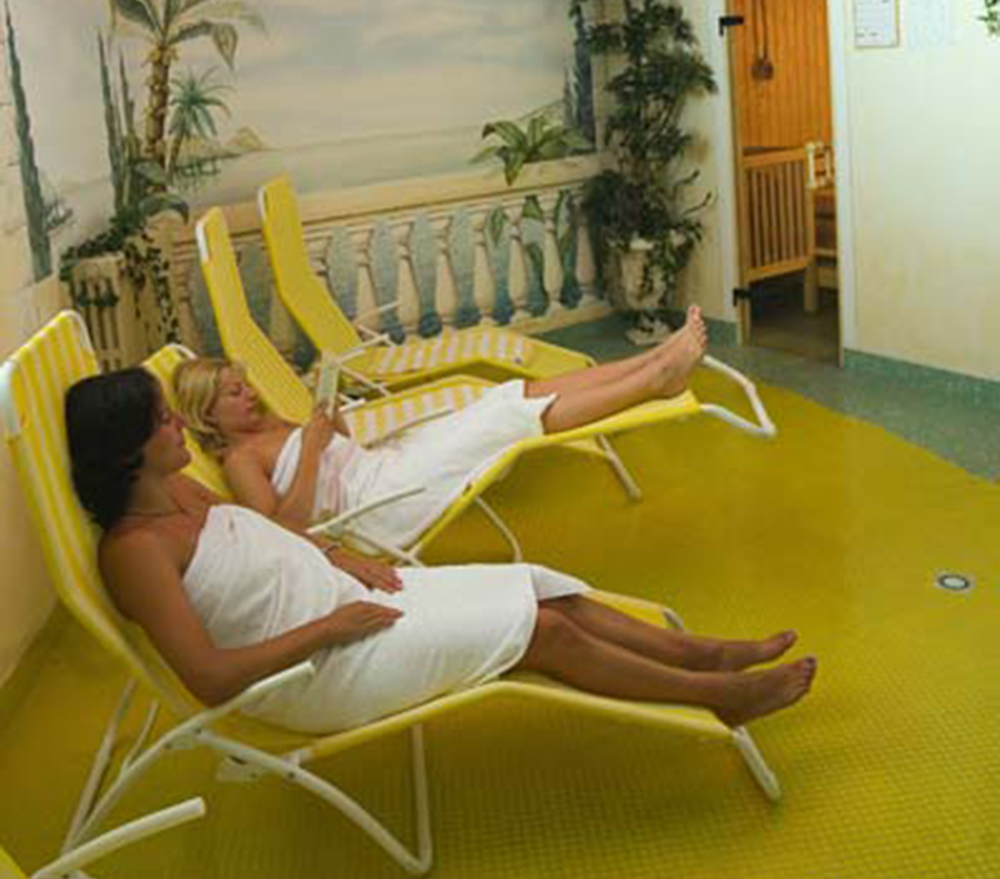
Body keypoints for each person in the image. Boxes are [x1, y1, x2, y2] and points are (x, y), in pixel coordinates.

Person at [65, 366, 817, 734]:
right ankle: (722, 699)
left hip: (347, 600)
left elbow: (269, 538)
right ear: (128, 449)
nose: (179, 429)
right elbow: (208, 678)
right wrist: (328, 627)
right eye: (163, 422)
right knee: (542, 631)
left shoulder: (182, 492)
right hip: (317, 669)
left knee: (544, 587)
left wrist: (338, 560)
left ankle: (706, 655)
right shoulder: (135, 550)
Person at [174, 308, 714, 549]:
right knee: (510, 420)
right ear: (207, 415)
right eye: (233, 394)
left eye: (244, 384)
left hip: (386, 464)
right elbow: (283, 533)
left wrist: (330, 424)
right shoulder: (239, 460)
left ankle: (653, 362)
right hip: (384, 502)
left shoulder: (266, 426)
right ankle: (652, 383)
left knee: (506, 395)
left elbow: (333, 457)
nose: (250, 394)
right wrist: (313, 449)